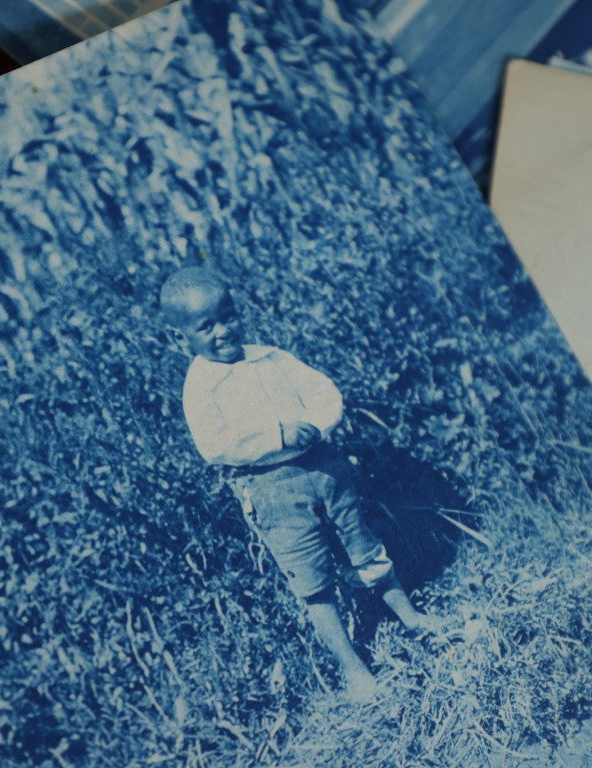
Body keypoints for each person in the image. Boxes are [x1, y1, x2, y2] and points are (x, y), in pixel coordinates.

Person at [160, 266, 443, 702]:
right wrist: (277, 436)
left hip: (325, 470)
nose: (223, 331)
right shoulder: (201, 387)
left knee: (364, 548)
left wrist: (313, 424)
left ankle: (411, 616)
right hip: (272, 492)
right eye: (206, 326)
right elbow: (214, 445)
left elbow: (325, 393)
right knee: (313, 581)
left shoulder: (272, 357)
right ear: (183, 338)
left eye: (229, 316)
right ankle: (355, 670)